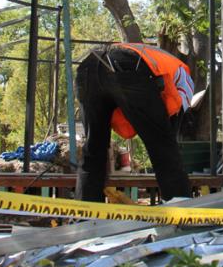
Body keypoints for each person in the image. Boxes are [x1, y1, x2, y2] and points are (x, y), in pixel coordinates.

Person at [75, 43, 194, 202]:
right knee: (163, 146)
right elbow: (171, 115)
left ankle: (85, 213)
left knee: (93, 149)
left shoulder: (158, 60)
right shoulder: (184, 77)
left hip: (87, 67)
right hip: (126, 65)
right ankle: (180, 208)